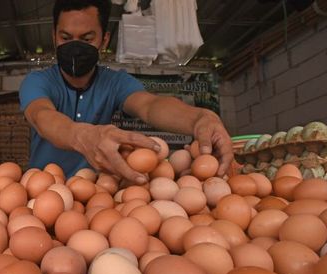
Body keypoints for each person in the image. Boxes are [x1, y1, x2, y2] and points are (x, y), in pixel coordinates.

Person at [19, 0, 233, 184]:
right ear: (54, 36)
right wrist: (82, 135)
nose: (75, 46)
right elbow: (41, 116)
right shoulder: (38, 81)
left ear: (104, 40)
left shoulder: (115, 82)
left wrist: (199, 118)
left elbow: (150, 106)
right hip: (41, 191)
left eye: (86, 39)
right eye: (65, 37)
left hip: (97, 193)